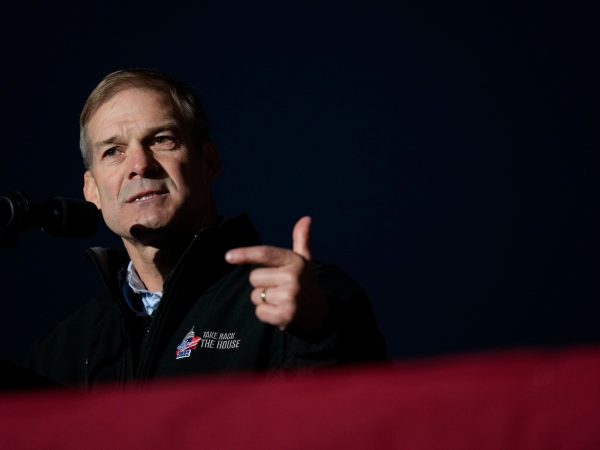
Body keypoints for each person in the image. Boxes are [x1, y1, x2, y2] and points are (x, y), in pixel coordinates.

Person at [28, 69, 387, 389]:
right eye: (113, 152)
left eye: (161, 140)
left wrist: (318, 334)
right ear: (92, 190)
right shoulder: (63, 349)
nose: (139, 164)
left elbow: (360, 420)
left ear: (208, 162)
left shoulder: (307, 299)